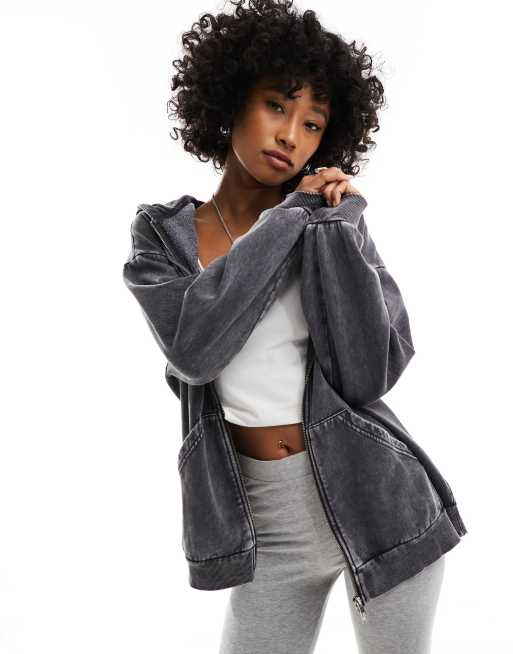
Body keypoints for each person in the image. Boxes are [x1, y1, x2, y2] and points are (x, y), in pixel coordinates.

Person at [124, 0, 466, 651]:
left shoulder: (325, 223)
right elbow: (196, 348)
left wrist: (337, 228)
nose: (290, 136)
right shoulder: (163, 238)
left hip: (381, 507)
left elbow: (367, 374)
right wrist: (289, 216)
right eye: (276, 106)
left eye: (312, 124)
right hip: (269, 529)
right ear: (230, 99)